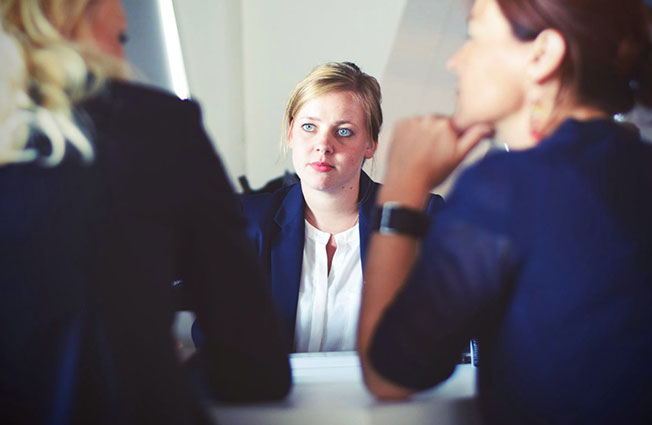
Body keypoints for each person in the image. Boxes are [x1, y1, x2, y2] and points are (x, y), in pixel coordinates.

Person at [357, 0, 652, 424]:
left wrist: (403, 186)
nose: (455, 61)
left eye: (473, 37)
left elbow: (388, 373)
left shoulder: (506, 187)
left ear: (542, 55)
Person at [0, 1, 291, 424]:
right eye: (121, 38)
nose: (123, 54)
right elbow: (254, 368)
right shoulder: (157, 127)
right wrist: (151, 366)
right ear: (67, 13)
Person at [238, 62, 444, 352]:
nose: (323, 145)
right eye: (309, 127)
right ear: (291, 134)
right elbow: (216, 342)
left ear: (370, 144)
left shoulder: (421, 218)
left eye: (344, 132)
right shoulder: (247, 222)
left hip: (382, 396)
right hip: (274, 397)